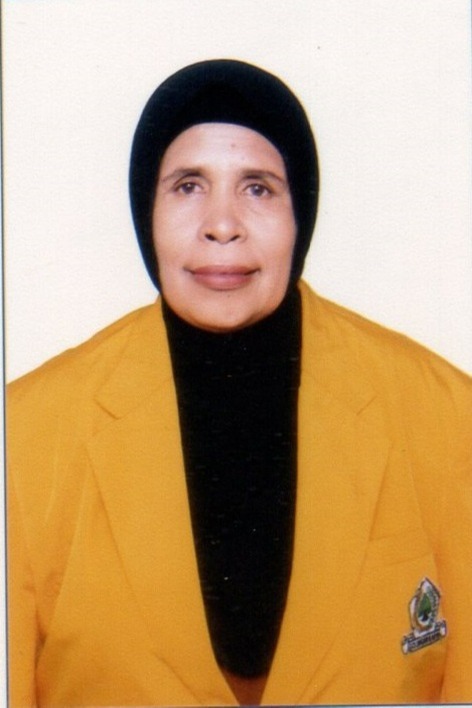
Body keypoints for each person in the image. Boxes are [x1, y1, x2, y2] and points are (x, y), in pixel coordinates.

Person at [6, 59, 472, 706]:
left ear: (301, 209)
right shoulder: (25, 433)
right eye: (188, 186)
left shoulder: (445, 412)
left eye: (258, 188)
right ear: (145, 208)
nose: (222, 224)